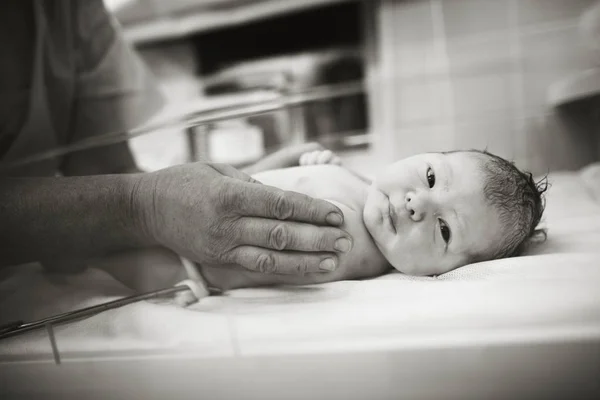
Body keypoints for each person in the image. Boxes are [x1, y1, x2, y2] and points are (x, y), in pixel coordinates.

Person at [0, 0, 353, 276]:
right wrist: (146, 206)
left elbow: (105, 172)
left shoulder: (71, 12)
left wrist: (243, 188)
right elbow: (128, 204)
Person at [190, 146, 548, 291]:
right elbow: (248, 183)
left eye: (444, 229)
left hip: (185, 254)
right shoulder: (366, 194)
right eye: (431, 178)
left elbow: (246, 253)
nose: (417, 203)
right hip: (198, 203)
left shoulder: (347, 244)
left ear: (445, 269)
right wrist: (297, 160)